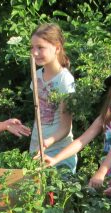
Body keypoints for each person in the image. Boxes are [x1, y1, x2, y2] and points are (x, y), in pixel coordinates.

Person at [43, 65, 111, 196]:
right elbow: (81, 141)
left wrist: (101, 172)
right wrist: (55, 159)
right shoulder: (106, 117)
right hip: (110, 180)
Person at [29, 23, 76, 172]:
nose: (35, 53)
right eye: (32, 47)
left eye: (40, 48)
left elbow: (65, 127)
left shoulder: (65, 80)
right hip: (37, 150)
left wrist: (46, 143)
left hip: (59, 152)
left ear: (57, 48)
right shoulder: (36, 76)